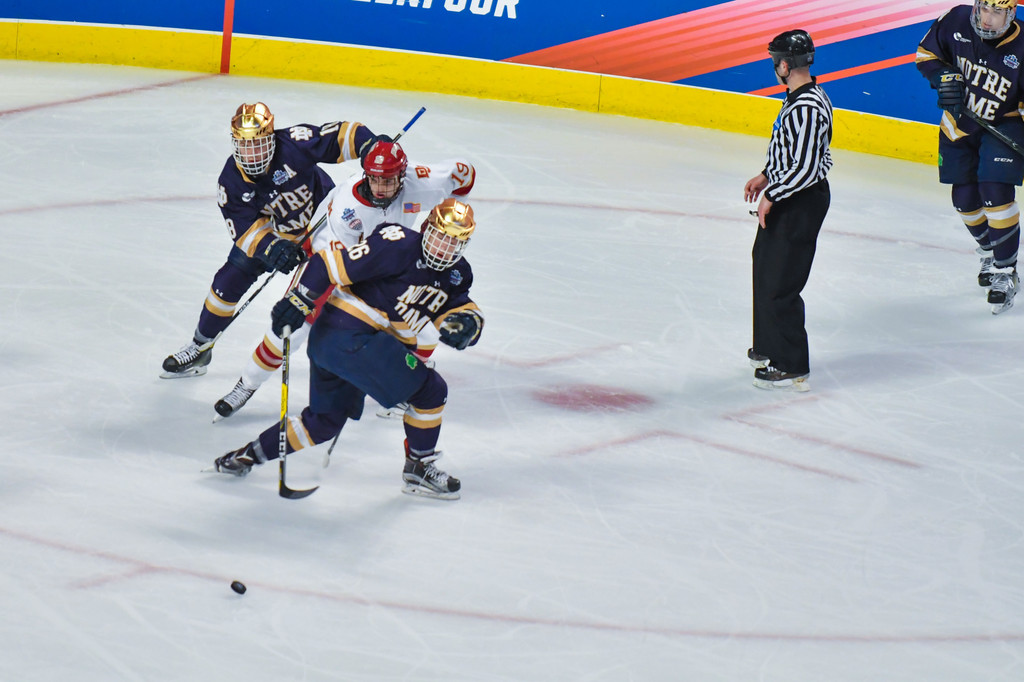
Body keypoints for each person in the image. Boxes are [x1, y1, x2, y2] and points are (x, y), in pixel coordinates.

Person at [210, 198, 483, 500]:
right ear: (427, 228)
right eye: (440, 236)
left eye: (454, 243)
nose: (444, 248)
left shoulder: (457, 274)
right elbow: (326, 263)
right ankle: (418, 469)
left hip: (336, 346)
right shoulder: (397, 244)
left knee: (323, 422)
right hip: (351, 337)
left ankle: (248, 455)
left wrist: (468, 324)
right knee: (431, 391)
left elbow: (459, 307)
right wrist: (299, 301)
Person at [212, 139, 476, 419]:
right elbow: (336, 267)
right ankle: (247, 384)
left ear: (403, 175)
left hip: (393, 262)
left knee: (424, 319)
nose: (380, 188)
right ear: (365, 174)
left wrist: (440, 221)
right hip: (336, 262)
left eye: (389, 181)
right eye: (374, 179)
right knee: (292, 329)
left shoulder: (420, 183)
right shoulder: (348, 212)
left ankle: (410, 387)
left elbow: (465, 174)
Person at [160, 102, 380, 378]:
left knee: (357, 290)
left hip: (325, 229)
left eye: (258, 145)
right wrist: (272, 248)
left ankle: (384, 358)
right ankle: (200, 346)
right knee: (227, 283)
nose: (251, 155)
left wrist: (370, 145)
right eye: (244, 146)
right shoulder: (231, 182)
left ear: (272, 138)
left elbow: (340, 135)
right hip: (277, 235)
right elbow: (245, 230)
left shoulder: (294, 144)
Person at [917, 0, 1024, 314]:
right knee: (964, 199)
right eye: (984, 10)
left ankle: (1006, 271)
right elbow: (926, 56)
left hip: (1005, 125)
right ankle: (989, 252)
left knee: (996, 192)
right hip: (958, 124)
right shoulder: (957, 19)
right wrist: (944, 77)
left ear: (1011, 14)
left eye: (996, 13)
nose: (987, 20)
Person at [743, 29, 833, 392]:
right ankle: (769, 344)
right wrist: (767, 175)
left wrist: (773, 193)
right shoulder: (796, 98)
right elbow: (788, 150)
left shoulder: (808, 107)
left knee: (781, 283)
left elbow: (807, 168)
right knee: (765, 268)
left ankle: (791, 363)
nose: (772, 66)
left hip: (800, 202)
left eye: (773, 61)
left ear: (784, 64)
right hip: (787, 195)